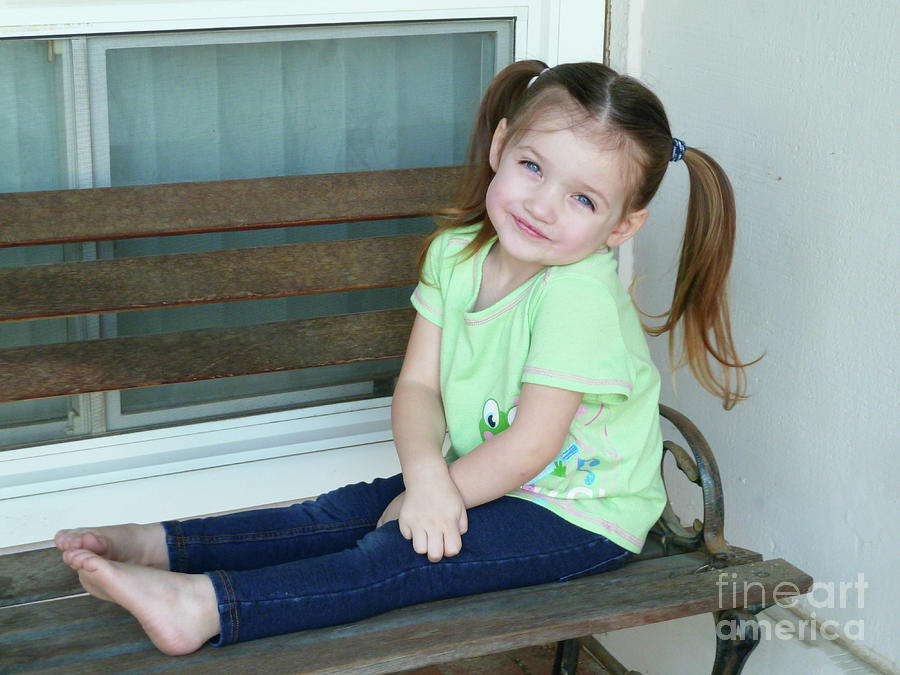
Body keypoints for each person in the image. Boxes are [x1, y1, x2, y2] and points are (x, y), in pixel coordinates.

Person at [55, 60, 753, 655]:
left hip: (583, 513)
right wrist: (424, 476)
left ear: (622, 226)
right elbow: (417, 386)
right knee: (344, 510)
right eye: (533, 166)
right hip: (490, 476)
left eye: (581, 197)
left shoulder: (579, 295)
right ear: (500, 146)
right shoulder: (459, 255)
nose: (542, 204)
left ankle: (207, 607)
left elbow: (534, 444)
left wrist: (433, 493)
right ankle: (163, 546)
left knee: (402, 554)